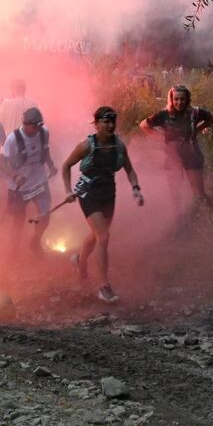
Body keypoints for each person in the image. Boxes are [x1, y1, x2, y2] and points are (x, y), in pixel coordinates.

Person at [62, 106, 144, 303]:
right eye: (105, 122)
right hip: (88, 192)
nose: (109, 125)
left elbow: (130, 170)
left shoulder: (119, 146)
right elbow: (66, 166)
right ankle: (104, 286)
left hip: (108, 193)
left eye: (112, 121)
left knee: (97, 234)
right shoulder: (87, 146)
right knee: (104, 236)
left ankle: (79, 261)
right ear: (96, 124)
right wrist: (67, 191)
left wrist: (135, 188)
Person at [140, 84, 213, 204]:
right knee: (175, 194)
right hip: (173, 157)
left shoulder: (194, 112)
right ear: (171, 99)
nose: (179, 102)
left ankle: (212, 217)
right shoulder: (164, 114)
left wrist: (197, 130)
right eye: (176, 99)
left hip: (192, 155)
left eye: (182, 99)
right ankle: (179, 220)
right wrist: (161, 136)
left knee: (200, 193)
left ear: (187, 99)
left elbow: (211, 117)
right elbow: (144, 125)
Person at [0, 106, 57, 255]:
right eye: (34, 126)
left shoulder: (44, 132)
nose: (38, 129)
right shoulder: (13, 139)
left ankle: (35, 241)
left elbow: (45, 149)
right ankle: (13, 251)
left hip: (39, 181)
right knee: (18, 222)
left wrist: (50, 165)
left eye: (40, 125)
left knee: (45, 215)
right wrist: (15, 176)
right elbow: (1, 164)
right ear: (25, 124)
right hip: (18, 187)